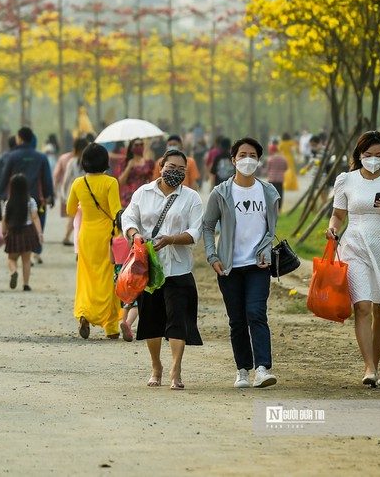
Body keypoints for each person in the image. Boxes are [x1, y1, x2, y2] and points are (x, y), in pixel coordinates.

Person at [326, 130, 380, 386]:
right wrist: (332, 227)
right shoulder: (346, 180)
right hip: (354, 245)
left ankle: (375, 364)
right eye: (368, 155)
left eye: (379, 155)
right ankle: (369, 367)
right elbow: (338, 215)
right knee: (362, 306)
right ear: (359, 155)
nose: (373, 159)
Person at [121, 150, 204, 389]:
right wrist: (135, 235)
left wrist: (172, 239)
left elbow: (195, 232)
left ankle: (176, 369)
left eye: (180, 169)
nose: (174, 172)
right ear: (160, 167)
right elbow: (128, 218)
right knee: (152, 320)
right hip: (150, 268)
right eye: (171, 166)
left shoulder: (191, 198)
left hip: (179, 268)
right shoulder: (143, 193)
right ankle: (156, 365)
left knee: (178, 320)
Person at [202, 137, 280, 389]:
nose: (247, 160)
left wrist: (265, 250)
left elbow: (272, 229)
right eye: (242, 155)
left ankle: (262, 369)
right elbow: (207, 226)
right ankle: (242, 370)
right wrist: (212, 256)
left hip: (258, 266)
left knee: (256, 313)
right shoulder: (221, 192)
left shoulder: (268, 192)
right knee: (237, 319)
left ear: (259, 160)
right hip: (229, 267)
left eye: (253, 155)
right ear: (233, 160)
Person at [66, 143, 122, 339]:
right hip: (107, 236)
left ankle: (84, 314)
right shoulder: (111, 182)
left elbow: (70, 210)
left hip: (86, 236)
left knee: (86, 279)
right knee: (108, 280)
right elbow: (116, 211)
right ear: (105, 161)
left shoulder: (78, 183)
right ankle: (111, 326)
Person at [0, 127, 53, 264]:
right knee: (34, 220)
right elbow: (46, 179)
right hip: (35, 197)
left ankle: (17, 254)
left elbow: (3, 178)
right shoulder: (41, 157)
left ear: (19, 138)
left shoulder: (12, 157)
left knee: (16, 224)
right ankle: (32, 251)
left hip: (14, 198)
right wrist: (49, 196)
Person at [3, 174, 43, 291]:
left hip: (14, 232)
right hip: (28, 231)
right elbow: (35, 217)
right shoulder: (30, 201)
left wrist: (4, 232)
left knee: (12, 258)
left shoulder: (8, 202)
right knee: (26, 260)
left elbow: (5, 220)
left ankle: (14, 271)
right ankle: (26, 284)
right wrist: (39, 233)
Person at [115, 138, 155, 208]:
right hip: (128, 197)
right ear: (131, 148)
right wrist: (128, 167)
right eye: (136, 145)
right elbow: (121, 181)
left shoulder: (148, 163)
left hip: (143, 195)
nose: (139, 147)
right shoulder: (125, 162)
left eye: (141, 144)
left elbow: (152, 180)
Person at [265, 144, 289, 210]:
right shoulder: (283, 159)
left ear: (271, 151)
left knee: (271, 194)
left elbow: (268, 169)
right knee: (279, 194)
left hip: (272, 179)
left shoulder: (270, 159)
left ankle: (272, 208)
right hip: (280, 179)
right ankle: (279, 208)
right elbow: (285, 168)